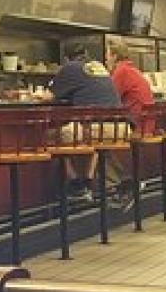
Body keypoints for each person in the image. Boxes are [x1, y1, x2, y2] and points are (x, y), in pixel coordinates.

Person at [48, 43, 122, 202]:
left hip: (98, 128)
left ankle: (75, 184)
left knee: (49, 137)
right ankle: (87, 181)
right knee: (93, 138)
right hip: (120, 127)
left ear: (66, 58)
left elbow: (48, 96)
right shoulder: (99, 66)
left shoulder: (70, 67)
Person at [106, 41, 156, 204]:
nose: (106, 60)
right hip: (145, 124)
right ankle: (127, 182)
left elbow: (110, 97)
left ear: (114, 56)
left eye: (107, 55)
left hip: (136, 125)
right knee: (103, 143)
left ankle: (125, 184)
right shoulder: (133, 69)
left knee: (100, 144)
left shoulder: (121, 71)